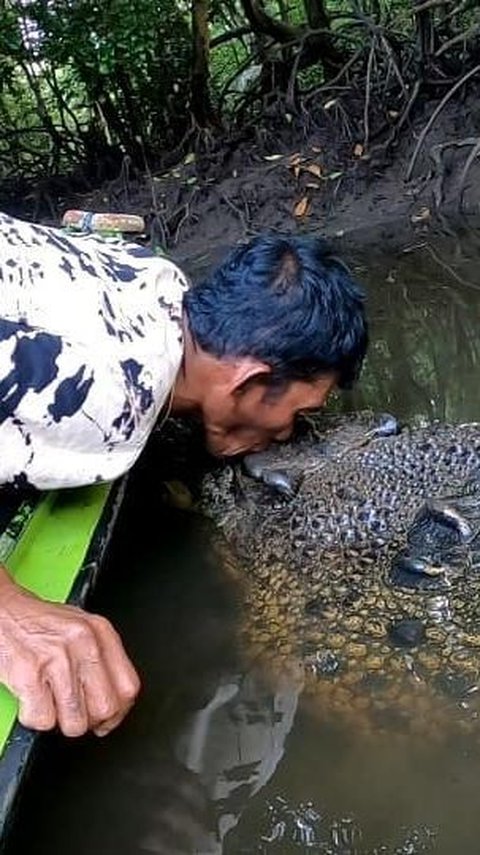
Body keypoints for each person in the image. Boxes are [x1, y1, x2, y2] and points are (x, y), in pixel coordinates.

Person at [0, 212, 367, 739]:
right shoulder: (112, 407)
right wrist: (9, 612)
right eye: (299, 412)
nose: (289, 433)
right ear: (249, 380)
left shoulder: (156, 275)